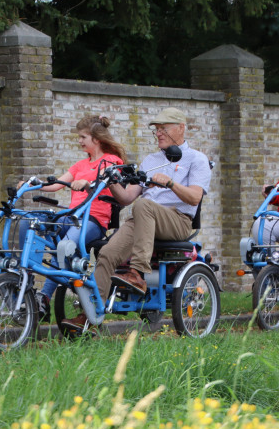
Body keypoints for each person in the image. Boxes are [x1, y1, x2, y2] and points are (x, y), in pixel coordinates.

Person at [61, 107, 212, 331]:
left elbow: (194, 197)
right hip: (143, 218)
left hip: (177, 220)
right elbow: (126, 199)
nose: (159, 133)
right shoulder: (150, 160)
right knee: (106, 254)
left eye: (164, 129)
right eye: (156, 130)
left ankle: (138, 273)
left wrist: (170, 183)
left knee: (144, 206)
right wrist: (112, 181)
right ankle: (90, 316)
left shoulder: (196, 159)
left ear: (181, 128)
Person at [21, 116, 126, 321]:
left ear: (96, 139)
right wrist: (32, 184)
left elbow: (104, 177)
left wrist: (87, 182)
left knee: (65, 245)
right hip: (71, 218)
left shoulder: (112, 161)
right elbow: (56, 185)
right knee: (30, 224)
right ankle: (28, 284)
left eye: (83, 137)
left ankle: (45, 297)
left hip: (93, 220)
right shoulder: (79, 165)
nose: (79, 141)